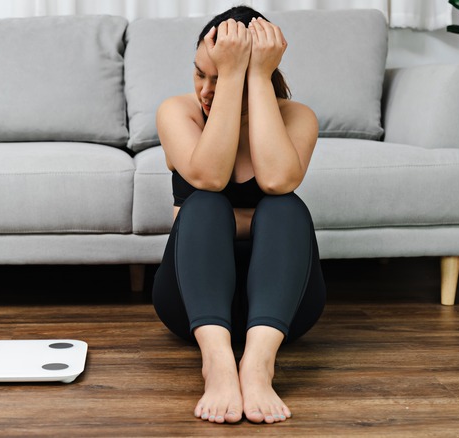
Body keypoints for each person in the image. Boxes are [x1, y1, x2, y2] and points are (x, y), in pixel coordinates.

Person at [151, 5, 326, 425]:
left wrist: (257, 76)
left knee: (285, 207)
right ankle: (218, 364)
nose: (206, 90)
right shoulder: (179, 112)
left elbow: (278, 181)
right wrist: (231, 77)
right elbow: (209, 179)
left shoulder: (296, 117)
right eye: (201, 74)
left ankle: (259, 365)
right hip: (193, 303)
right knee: (206, 205)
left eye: (222, 75)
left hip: (284, 309)